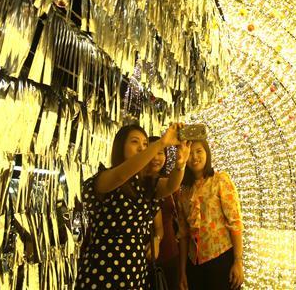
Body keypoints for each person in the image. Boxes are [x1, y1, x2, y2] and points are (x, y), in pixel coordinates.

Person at [76, 123, 190, 289]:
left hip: (135, 270)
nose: (142, 148)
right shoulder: (105, 177)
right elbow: (121, 175)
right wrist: (160, 143)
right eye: (135, 142)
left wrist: (180, 164)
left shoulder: (146, 185)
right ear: (120, 146)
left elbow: (171, 186)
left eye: (145, 144)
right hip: (103, 269)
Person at [176, 140, 244, 290]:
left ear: (207, 152)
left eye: (199, 151)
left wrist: (238, 261)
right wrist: (182, 272)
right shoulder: (184, 191)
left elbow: (235, 222)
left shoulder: (220, 180)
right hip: (194, 264)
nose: (194, 157)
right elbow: (183, 234)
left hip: (221, 258)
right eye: (190, 153)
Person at [146, 136, 181, 290]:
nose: (156, 158)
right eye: (152, 152)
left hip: (169, 250)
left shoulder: (170, 182)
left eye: (161, 152)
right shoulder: (136, 183)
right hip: (144, 253)